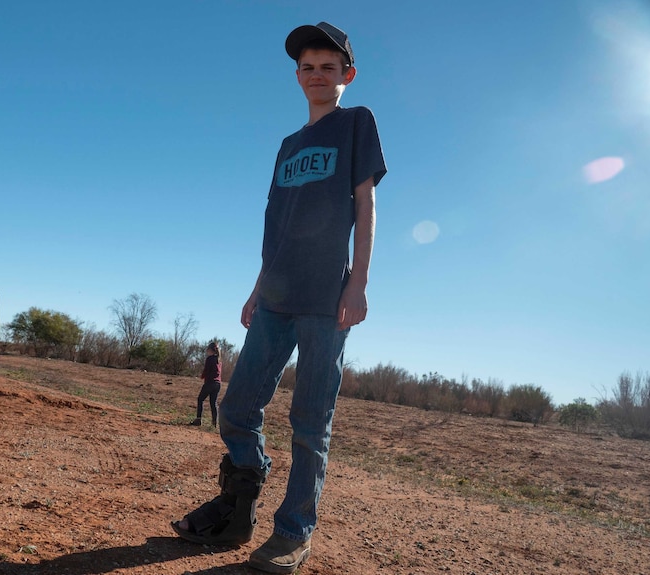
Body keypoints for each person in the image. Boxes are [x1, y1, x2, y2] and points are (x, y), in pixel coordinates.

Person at [171, 21, 387, 573]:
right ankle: (239, 500)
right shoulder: (288, 146)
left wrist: (358, 281)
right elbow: (277, 226)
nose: (318, 75)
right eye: (308, 68)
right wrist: (256, 287)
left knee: (310, 424)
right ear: (297, 77)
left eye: (329, 68)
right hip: (275, 296)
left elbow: (365, 206)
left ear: (348, 75)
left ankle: (293, 533)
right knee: (237, 411)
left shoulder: (356, 124)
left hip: (326, 300)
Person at [191, 341, 222, 427]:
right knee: (213, 403)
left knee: (200, 399)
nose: (206, 351)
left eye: (207, 349)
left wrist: (202, 376)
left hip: (210, 382)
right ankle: (214, 424)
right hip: (218, 384)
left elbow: (207, 370)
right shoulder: (219, 360)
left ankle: (198, 419)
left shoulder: (210, 359)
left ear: (210, 350)